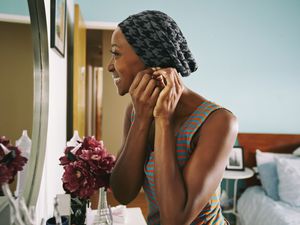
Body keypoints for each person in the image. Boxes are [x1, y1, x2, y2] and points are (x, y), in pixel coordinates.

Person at [108, 10, 238, 225]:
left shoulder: (218, 122)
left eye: (116, 53)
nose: (110, 65)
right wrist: (141, 120)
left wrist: (163, 120)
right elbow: (123, 193)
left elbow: (175, 221)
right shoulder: (134, 111)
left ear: (149, 57)